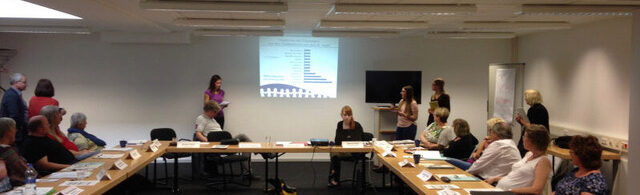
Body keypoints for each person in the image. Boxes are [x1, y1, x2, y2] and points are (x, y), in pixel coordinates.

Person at [194, 101, 256, 178]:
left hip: (224, 142)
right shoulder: (201, 118)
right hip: (218, 144)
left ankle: (247, 171)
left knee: (245, 142)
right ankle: (260, 152)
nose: (216, 114)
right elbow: (198, 134)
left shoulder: (212, 119)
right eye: (215, 112)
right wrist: (209, 143)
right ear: (209, 111)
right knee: (242, 136)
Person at [485, 124, 551, 194]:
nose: (523, 139)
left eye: (525, 136)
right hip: (501, 190)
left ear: (533, 140)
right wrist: (495, 178)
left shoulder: (543, 161)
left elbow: (536, 190)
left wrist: (509, 191)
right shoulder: (529, 154)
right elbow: (516, 177)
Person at [446, 122, 521, 180]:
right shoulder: (511, 143)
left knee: (448, 161)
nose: (490, 135)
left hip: (486, 175)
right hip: (492, 173)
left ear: (495, 134)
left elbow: (480, 163)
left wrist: (464, 175)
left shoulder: (498, 144)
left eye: (491, 132)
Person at [328, 106, 363, 187]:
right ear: (341, 115)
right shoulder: (340, 124)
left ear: (351, 115)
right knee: (333, 152)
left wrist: (346, 147)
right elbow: (337, 141)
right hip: (342, 150)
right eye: (344, 114)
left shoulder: (357, 125)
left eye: (348, 115)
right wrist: (342, 147)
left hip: (354, 152)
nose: (346, 117)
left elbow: (357, 141)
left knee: (334, 155)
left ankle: (334, 174)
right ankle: (335, 173)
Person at [515, 89, 549, 157]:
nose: (525, 99)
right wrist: (520, 122)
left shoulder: (540, 110)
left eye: (526, 97)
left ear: (531, 98)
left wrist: (523, 122)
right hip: (531, 137)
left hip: (536, 140)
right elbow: (528, 124)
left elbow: (535, 128)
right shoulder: (532, 109)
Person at [0, 73, 28, 150]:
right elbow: (14, 115)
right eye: (24, 82)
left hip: (15, 131)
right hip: (14, 132)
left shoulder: (14, 94)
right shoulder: (12, 95)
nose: (26, 85)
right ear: (16, 82)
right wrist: (16, 130)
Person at [0, 118, 30, 187]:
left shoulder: (9, 149)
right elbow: (25, 171)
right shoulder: (6, 152)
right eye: (14, 128)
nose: (16, 131)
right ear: (8, 131)